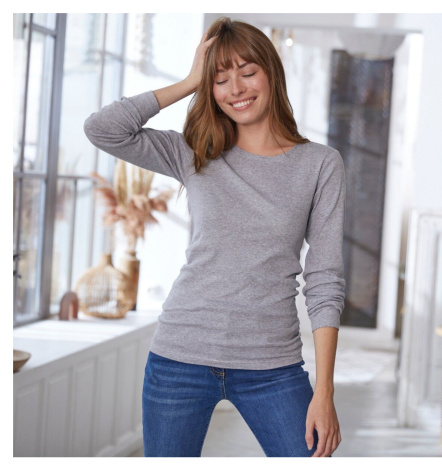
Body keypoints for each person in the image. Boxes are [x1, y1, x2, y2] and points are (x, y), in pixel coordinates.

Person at [84, 17, 345, 458]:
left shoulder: (320, 165)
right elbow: (103, 129)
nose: (236, 89)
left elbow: (325, 280)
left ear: (271, 72)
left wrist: (324, 391)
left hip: (272, 365)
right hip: (179, 356)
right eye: (220, 79)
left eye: (247, 72)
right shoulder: (194, 153)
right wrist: (190, 81)